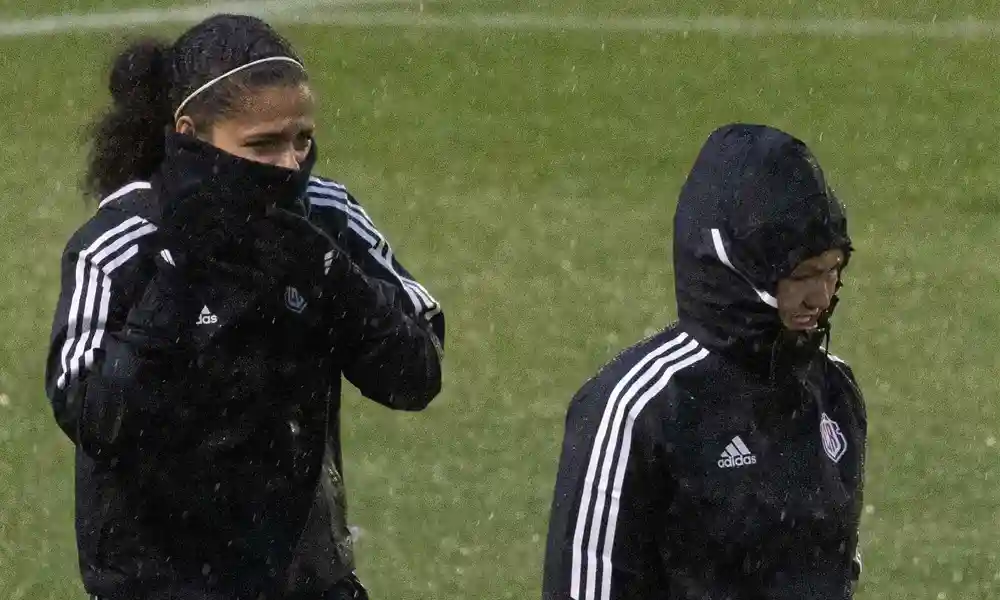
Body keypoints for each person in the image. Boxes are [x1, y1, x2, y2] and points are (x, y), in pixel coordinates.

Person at [44, 14, 445, 600]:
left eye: (301, 138)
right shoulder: (122, 244)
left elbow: (416, 375)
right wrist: (178, 282)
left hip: (305, 581)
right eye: (263, 144)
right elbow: (95, 420)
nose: (290, 163)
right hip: (158, 586)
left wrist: (330, 273)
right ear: (191, 132)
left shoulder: (326, 218)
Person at [542, 123, 867, 600]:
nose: (820, 295)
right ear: (734, 267)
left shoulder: (835, 393)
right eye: (800, 275)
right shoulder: (636, 410)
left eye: (832, 269)